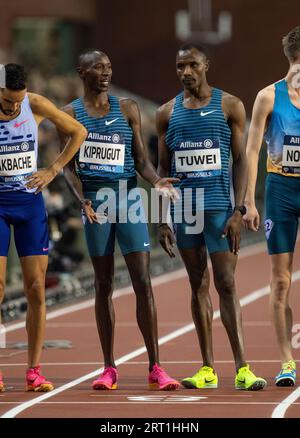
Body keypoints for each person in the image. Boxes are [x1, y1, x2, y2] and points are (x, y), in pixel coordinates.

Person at [59, 49, 180, 391]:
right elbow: (67, 167)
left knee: (143, 281)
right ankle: (109, 368)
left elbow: (141, 160)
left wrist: (156, 181)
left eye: (109, 66)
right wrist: (81, 199)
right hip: (96, 203)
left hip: (128, 199)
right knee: (103, 284)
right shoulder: (69, 114)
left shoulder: (127, 109)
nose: (105, 72)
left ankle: (156, 367)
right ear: (81, 72)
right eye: (97, 67)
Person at [157, 43, 267, 390]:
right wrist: (163, 218)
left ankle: (242, 368)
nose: (185, 72)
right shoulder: (166, 113)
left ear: (206, 65)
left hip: (220, 207)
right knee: (197, 284)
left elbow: (241, 161)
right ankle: (207, 368)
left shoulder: (229, 105)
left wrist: (240, 209)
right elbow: (162, 168)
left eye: (192, 65)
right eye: (179, 67)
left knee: (227, 283)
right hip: (185, 209)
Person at [0, 64, 87, 392]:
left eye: (16, 103)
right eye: (7, 103)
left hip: (29, 204)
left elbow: (78, 132)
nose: (12, 109)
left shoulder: (33, 103)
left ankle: (34, 371)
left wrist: (52, 170)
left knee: (36, 288)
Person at [244, 26, 300, 387]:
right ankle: (287, 362)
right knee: (280, 281)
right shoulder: (268, 96)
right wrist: (249, 200)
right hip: (280, 190)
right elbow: (251, 149)